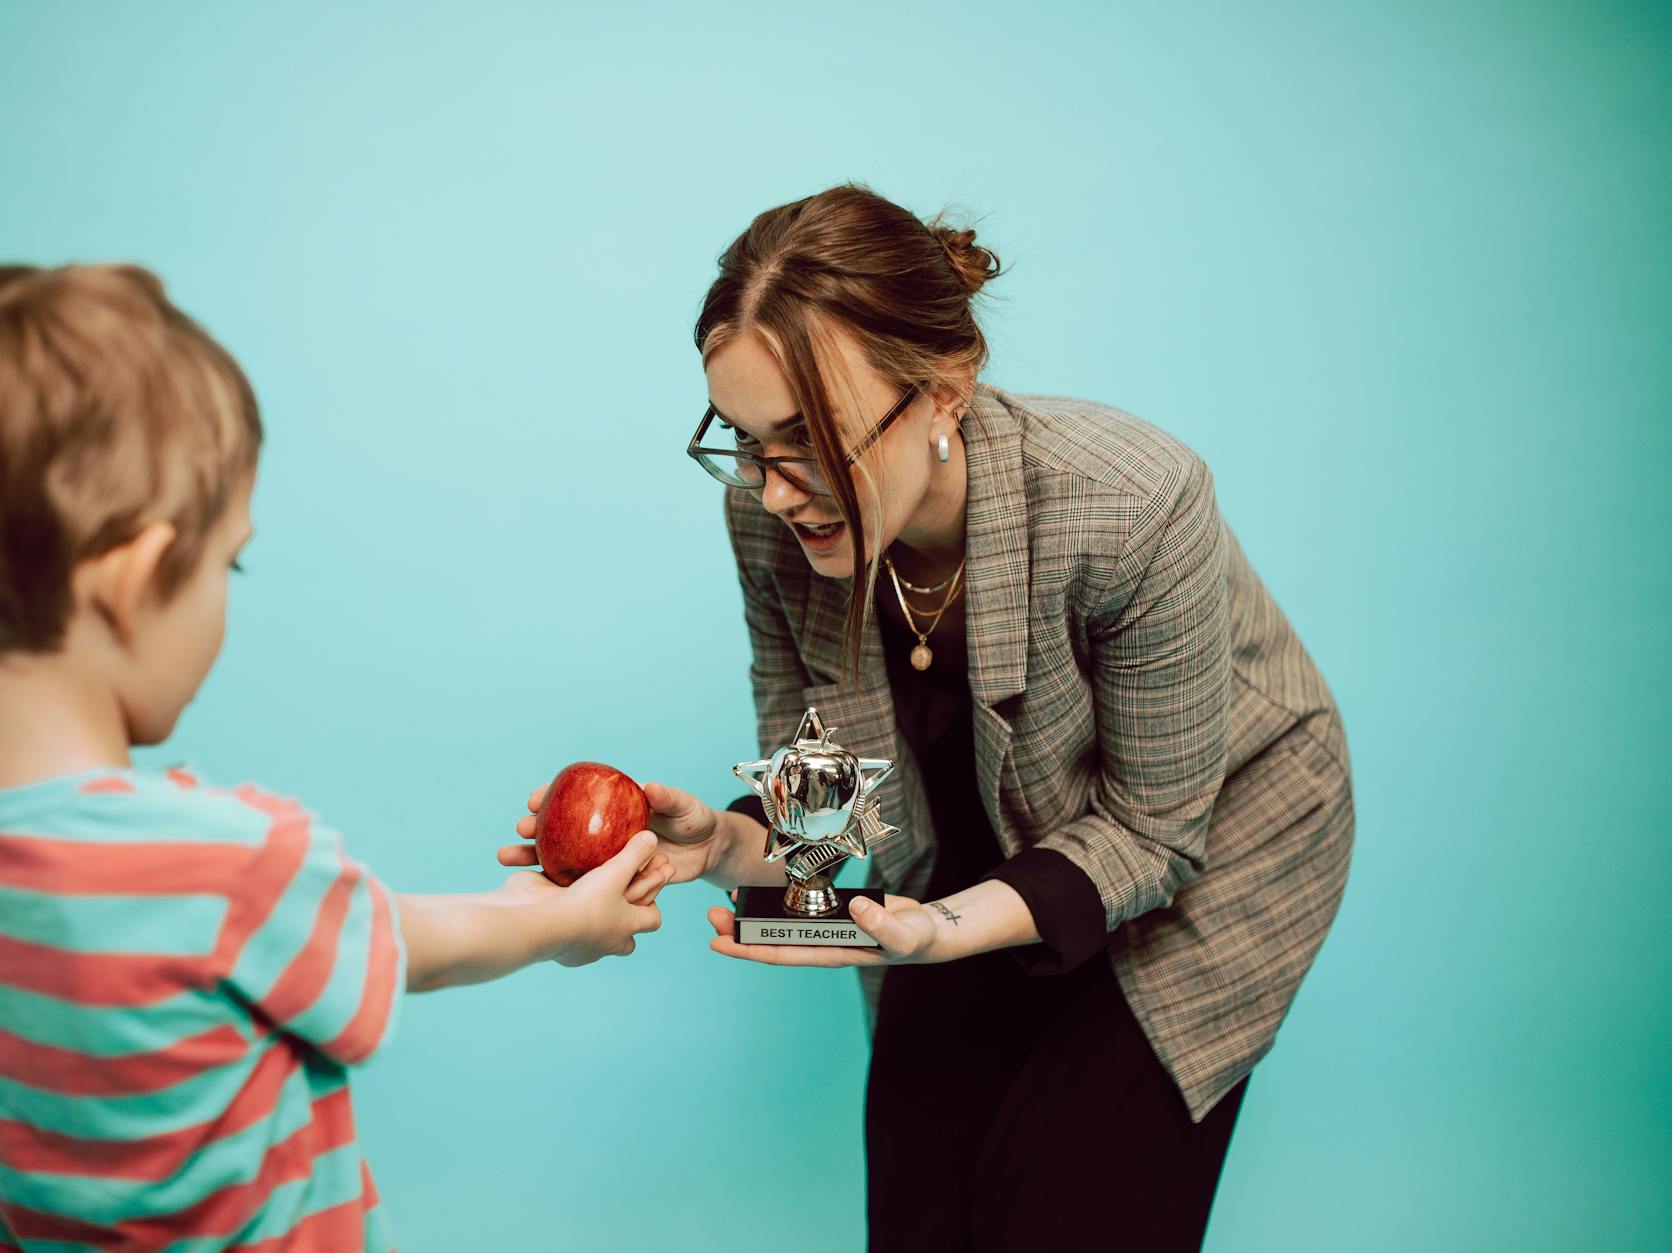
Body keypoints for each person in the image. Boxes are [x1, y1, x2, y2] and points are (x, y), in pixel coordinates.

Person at [507, 185, 1355, 1252]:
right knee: (919, 1207)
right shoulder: (768, 520)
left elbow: (1150, 832)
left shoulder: (1134, 503)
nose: (773, 491)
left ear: (943, 392)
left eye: (808, 439)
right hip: (956, 852)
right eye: (744, 440)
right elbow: (827, 813)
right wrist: (722, 843)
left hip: (1211, 841)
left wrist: (943, 931)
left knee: (1054, 1207)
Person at [0, 263, 671, 1252]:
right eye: (224, 562)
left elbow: (348, 930)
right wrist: (564, 921)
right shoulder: (226, 861)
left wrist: (537, 906)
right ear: (140, 576)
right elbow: (406, 941)